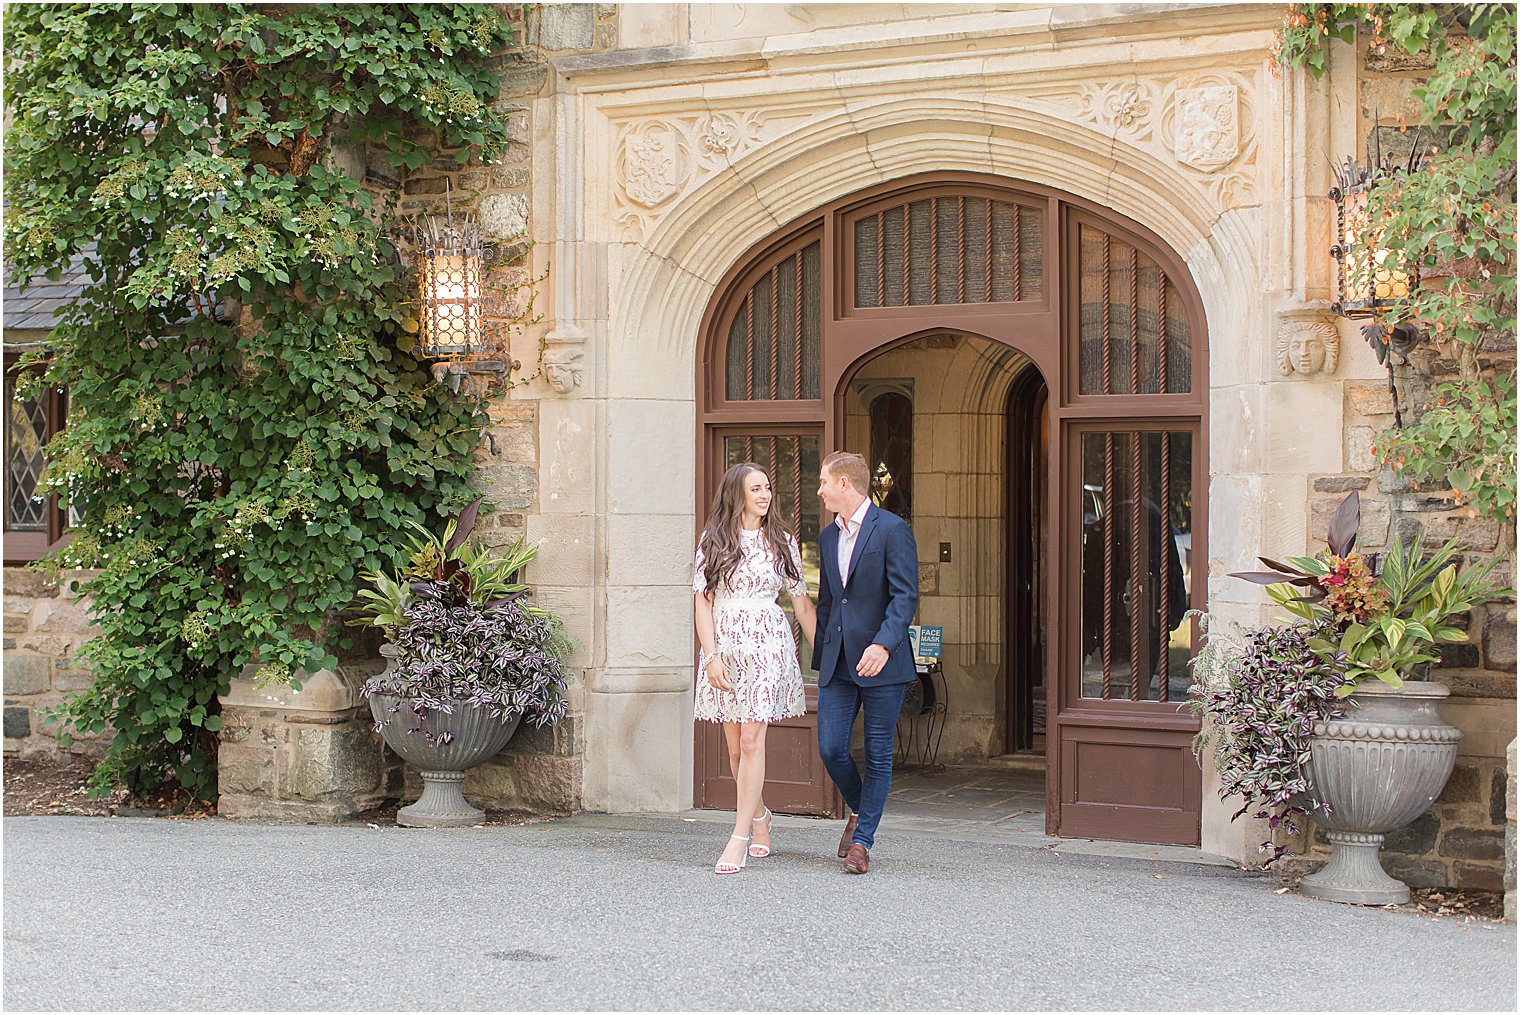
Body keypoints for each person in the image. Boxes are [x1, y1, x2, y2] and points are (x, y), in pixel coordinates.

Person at [693, 462, 818, 875]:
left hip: (767, 642)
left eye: (767, 487)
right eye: (756, 489)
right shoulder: (713, 541)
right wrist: (710, 656)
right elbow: (702, 603)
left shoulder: (782, 541)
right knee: (733, 748)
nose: (765, 495)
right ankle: (761, 815)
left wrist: (825, 657)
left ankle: (739, 836)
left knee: (750, 742)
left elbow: (800, 602)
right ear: (737, 495)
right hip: (725, 646)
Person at [813, 451, 919, 874]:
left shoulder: (893, 530)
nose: (819, 491)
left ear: (845, 485)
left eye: (823, 483)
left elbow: (904, 596)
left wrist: (884, 645)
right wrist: (820, 655)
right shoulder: (826, 537)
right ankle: (859, 807)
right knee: (831, 747)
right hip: (839, 663)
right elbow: (828, 603)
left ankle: (862, 841)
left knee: (878, 754)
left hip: (882, 663)